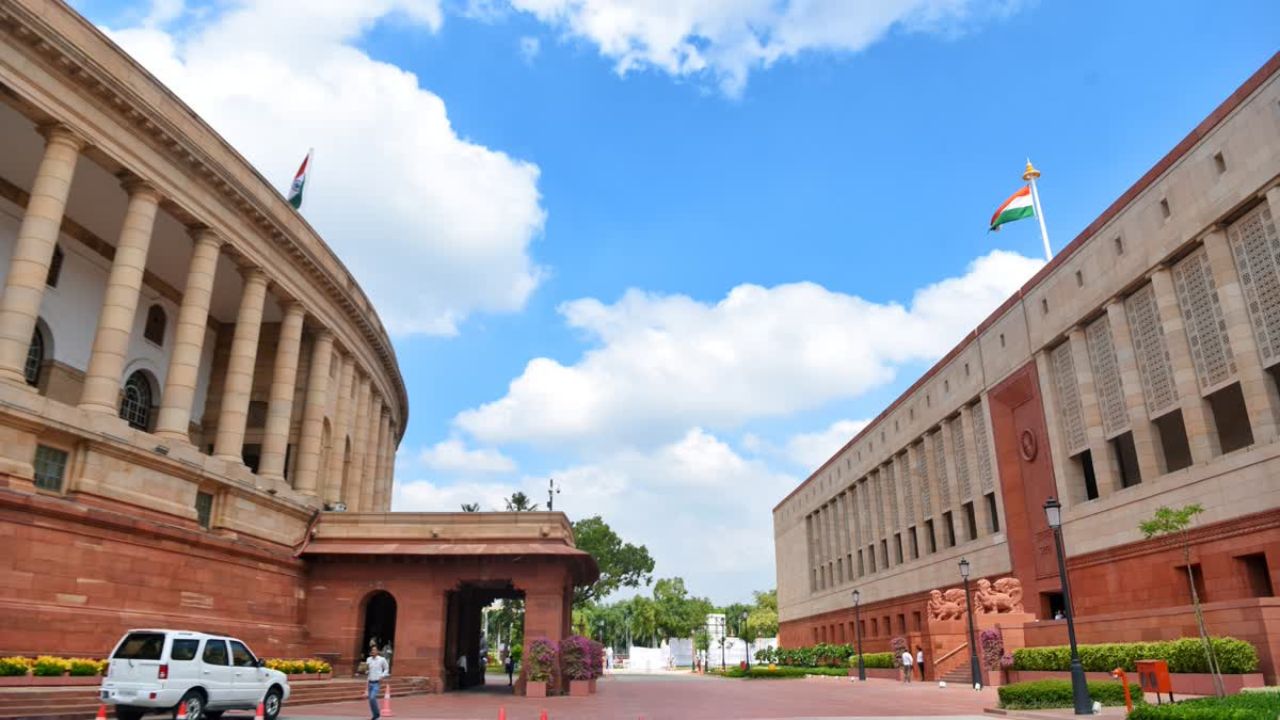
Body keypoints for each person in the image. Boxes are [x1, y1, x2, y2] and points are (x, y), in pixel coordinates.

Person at [365, 645, 389, 720]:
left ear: (377, 651)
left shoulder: (382, 659)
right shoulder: (368, 659)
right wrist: (365, 671)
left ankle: (377, 715)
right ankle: (375, 715)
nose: (373, 651)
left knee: (372, 698)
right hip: (370, 682)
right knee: (370, 700)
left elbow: (386, 669)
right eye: (372, 650)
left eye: (375, 650)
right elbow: (367, 670)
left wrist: (382, 675)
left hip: (376, 682)